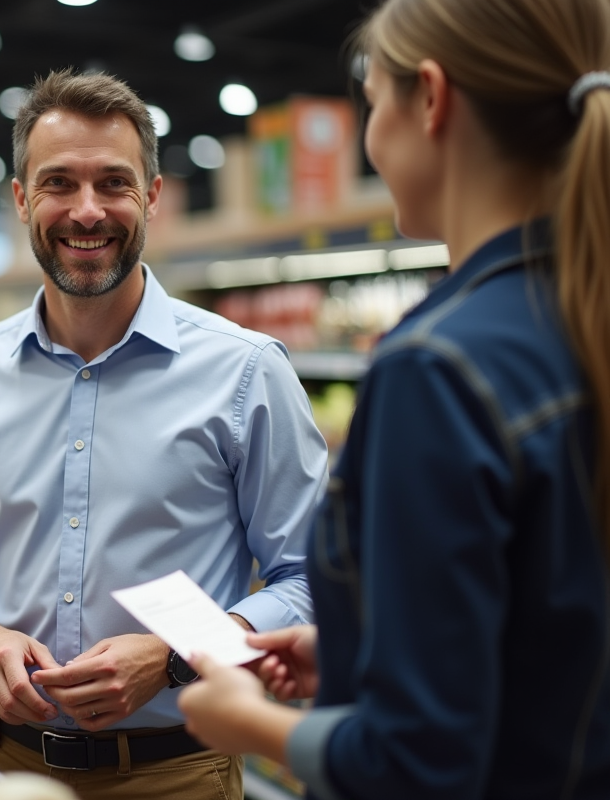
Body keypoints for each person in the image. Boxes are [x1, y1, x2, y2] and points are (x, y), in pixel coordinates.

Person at [176, 1, 610, 799]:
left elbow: (418, 764)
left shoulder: (439, 367)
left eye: (372, 102)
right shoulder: (575, 319)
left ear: (433, 100)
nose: (372, 136)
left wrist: (249, 721)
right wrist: (362, 648)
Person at [0, 69, 328, 799]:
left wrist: (175, 654)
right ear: (22, 200)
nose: (87, 212)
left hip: (179, 772)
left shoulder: (246, 373)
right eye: (59, 183)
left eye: (113, 184)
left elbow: (312, 578)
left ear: (151, 197)